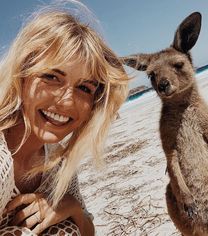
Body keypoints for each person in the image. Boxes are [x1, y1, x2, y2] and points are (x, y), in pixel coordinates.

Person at [0, 3, 128, 236]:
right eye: (51, 77)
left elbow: (87, 230)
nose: (67, 102)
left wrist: (72, 207)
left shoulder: (56, 161)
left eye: (85, 88)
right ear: (22, 75)